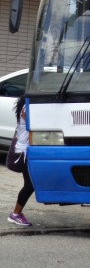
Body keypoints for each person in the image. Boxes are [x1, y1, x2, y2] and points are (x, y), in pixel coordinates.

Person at [8, 96, 34, 226]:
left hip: (26, 151)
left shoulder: (25, 107)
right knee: (30, 184)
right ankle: (16, 214)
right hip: (23, 153)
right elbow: (36, 125)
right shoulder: (26, 109)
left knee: (30, 184)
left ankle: (17, 213)